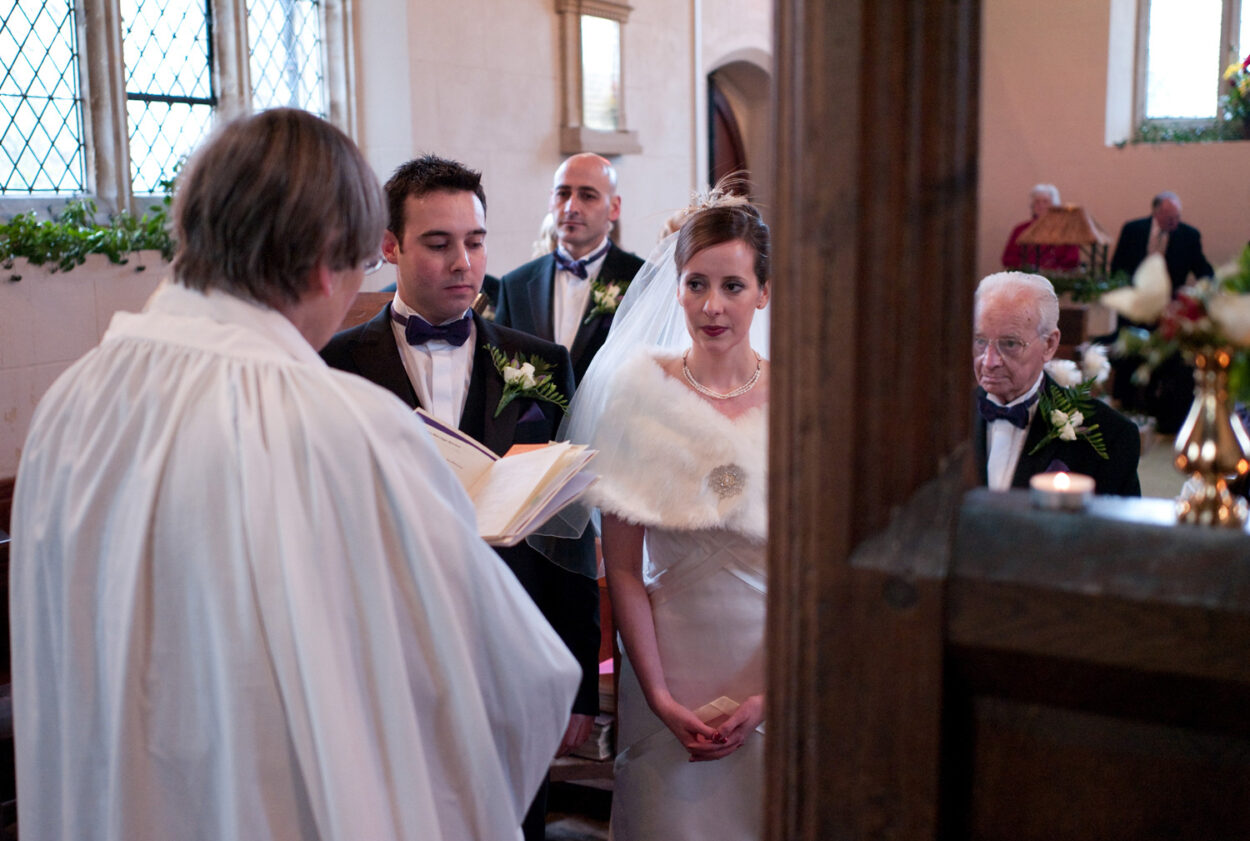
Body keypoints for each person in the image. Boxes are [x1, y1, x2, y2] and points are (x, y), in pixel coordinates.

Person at [9, 109, 580, 841]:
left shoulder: (72, 402)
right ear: (321, 260)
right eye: (359, 267)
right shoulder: (344, 427)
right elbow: (504, 682)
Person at [319, 154, 600, 841]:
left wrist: (579, 683)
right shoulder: (334, 366)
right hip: (388, 661)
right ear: (390, 245)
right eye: (438, 243)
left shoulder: (540, 364)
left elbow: (569, 533)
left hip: (511, 657)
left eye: (474, 241)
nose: (463, 262)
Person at [563, 195, 770, 840]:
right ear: (675, 289)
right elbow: (622, 566)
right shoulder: (638, 392)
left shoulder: (802, 399)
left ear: (763, 292)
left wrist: (773, 692)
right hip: (667, 662)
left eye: (733, 285)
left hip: (772, 663)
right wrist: (655, 694)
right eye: (697, 284)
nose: (713, 306)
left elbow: (816, 569)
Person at [971, 271, 1141, 495]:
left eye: (1010, 343)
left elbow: (1117, 529)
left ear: (1049, 345)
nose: (989, 361)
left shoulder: (1110, 435)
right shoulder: (940, 418)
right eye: (980, 341)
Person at [496, 153, 645, 382]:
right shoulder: (515, 285)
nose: (570, 207)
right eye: (563, 194)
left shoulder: (642, 280)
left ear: (614, 207)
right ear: (550, 201)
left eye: (587, 196)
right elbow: (499, 366)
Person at [1110, 191, 1213, 293]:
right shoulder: (1132, 230)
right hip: (1136, 292)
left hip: (1170, 297)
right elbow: (1118, 266)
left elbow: (1201, 268)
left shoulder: (1189, 236)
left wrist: (1213, 286)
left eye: (1177, 217)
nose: (1174, 222)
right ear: (1156, 213)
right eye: (1169, 218)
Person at [1000, 183, 1081, 271]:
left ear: (1054, 206)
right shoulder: (1020, 230)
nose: (1041, 205)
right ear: (1032, 206)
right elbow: (1008, 259)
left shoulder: (1066, 231)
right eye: (1037, 202)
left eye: (1045, 202)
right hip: (1026, 278)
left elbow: (1072, 260)